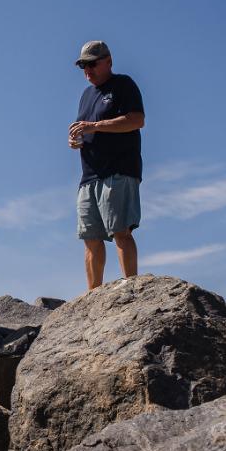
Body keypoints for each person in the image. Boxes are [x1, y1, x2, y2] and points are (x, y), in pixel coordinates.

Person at [68, 40, 145, 290]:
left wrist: (95, 126)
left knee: (121, 231)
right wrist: (76, 139)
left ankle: (132, 287)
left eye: (92, 64)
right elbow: (85, 128)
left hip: (119, 170)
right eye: (83, 66)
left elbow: (136, 120)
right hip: (89, 175)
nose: (87, 70)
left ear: (108, 61)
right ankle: (94, 296)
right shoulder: (86, 96)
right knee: (90, 238)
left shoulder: (123, 84)